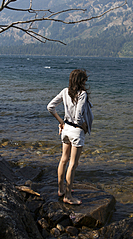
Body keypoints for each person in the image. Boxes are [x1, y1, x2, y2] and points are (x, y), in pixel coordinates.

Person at [47, 69, 93, 205]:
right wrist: (85, 127)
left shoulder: (64, 91)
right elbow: (79, 116)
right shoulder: (82, 94)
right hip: (76, 131)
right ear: (81, 81)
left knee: (63, 160)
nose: (86, 82)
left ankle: (61, 190)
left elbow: (50, 107)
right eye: (85, 79)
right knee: (73, 164)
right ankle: (68, 196)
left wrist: (61, 122)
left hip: (66, 129)